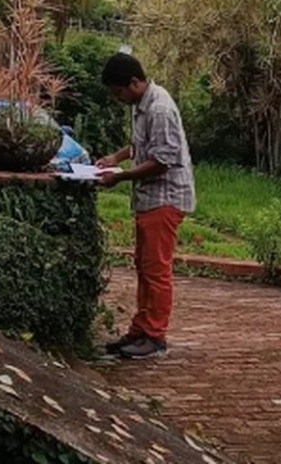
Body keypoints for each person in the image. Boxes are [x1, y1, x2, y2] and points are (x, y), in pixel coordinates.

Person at [95, 52, 194, 360]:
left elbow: (162, 161)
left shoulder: (160, 109)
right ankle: (140, 329)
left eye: (119, 92)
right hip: (149, 199)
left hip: (165, 198)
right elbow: (142, 145)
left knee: (156, 270)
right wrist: (116, 158)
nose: (118, 98)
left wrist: (120, 176)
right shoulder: (141, 105)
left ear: (135, 82)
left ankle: (155, 336)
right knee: (144, 267)